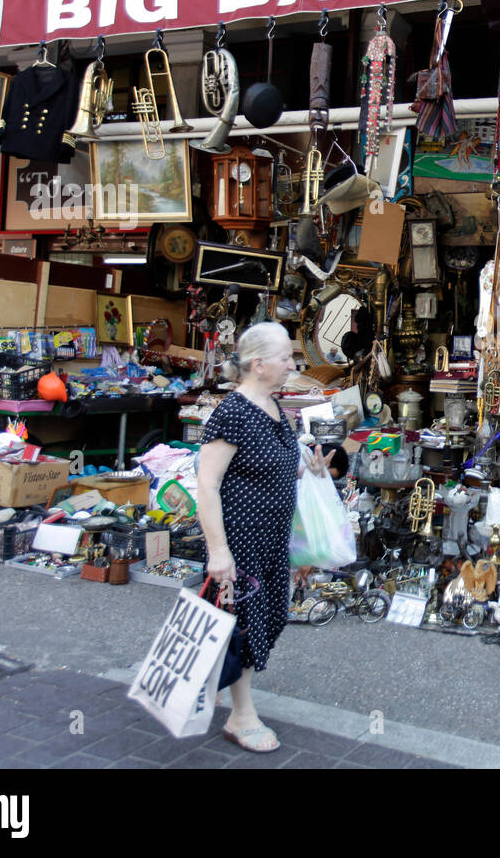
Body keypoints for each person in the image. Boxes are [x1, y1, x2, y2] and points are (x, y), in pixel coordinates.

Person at [197, 322, 334, 752]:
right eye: (285, 358)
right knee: (247, 625)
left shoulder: (277, 410)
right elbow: (206, 485)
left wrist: (307, 469)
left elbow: (274, 470)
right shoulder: (232, 413)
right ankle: (241, 715)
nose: (292, 365)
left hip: (272, 539)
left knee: (270, 617)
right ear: (258, 365)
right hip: (240, 540)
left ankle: (216, 680)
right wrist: (219, 552)